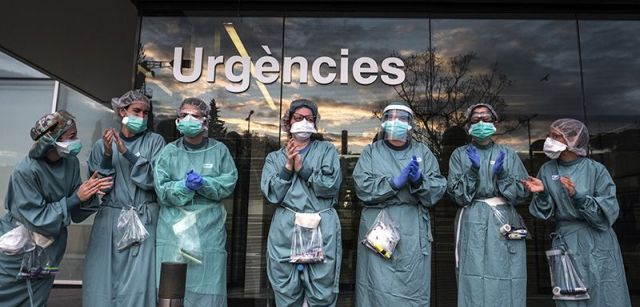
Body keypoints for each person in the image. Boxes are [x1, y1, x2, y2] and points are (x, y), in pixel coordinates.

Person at [0, 111, 112, 306]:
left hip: (51, 248)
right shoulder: (25, 171)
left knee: (38, 298)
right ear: (53, 139)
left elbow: (75, 212)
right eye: (72, 136)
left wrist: (90, 192)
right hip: (18, 249)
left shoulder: (71, 163)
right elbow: (36, 219)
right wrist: (75, 198)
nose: (77, 140)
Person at [523, 118, 631, 306]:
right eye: (550, 135)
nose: (550, 140)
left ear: (573, 139)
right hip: (566, 240)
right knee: (569, 298)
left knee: (605, 294)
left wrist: (578, 196)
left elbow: (607, 213)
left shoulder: (596, 170)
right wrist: (541, 194)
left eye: (556, 136)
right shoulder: (547, 170)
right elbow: (544, 213)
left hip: (597, 241)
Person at [353, 101, 446, 306]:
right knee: (376, 284)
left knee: (412, 284)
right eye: (391, 118)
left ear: (410, 124)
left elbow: (437, 189)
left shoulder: (423, 152)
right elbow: (362, 187)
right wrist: (393, 184)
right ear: (384, 123)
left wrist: (419, 182)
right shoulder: (371, 152)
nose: (396, 122)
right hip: (378, 227)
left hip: (413, 227)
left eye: (402, 118)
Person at [82, 90, 166, 307]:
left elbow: (154, 179)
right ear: (122, 111)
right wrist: (109, 154)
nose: (141, 116)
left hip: (143, 218)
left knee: (139, 281)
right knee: (103, 277)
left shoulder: (155, 142)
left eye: (145, 113)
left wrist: (126, 152)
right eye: (136, 111)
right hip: (110, 219)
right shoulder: (102, 145)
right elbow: (101, 186)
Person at [154, 97, 238, 306]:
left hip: (208, 231)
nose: (188, 119)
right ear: (177, 120)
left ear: (205, 121)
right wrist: (183, 186)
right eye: (183, 115)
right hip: (173, 231)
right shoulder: (169, 152)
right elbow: (162, 190)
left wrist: (204, 183)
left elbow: (228, 182)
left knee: (208, 286)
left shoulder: (219, 151)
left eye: (195, 115)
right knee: (171, 289)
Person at [260, 99, 343, 307]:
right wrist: (288, 168)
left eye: (309, 118)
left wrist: (304, 169)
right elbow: (272, 194)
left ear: (315, 123)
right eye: (298, 118)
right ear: (288, 121)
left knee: (322, 287)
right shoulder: (274, 158)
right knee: (286, 288)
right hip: (286, 229)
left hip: (321, 225)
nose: (304, 122)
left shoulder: (326, 151)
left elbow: (330, 185)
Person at [447, 103, 529, 307]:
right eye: (475, 120)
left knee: (506, 271)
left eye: (486, 118)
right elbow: (457, 195)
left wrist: (502, 175)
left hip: (503, 220)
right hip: (472, 217)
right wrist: (473, 172)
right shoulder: (459, 155)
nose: (481, 123)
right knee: (472, 276)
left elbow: (521, 193)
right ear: (468, 125)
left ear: (495, 122)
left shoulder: (508, 155)